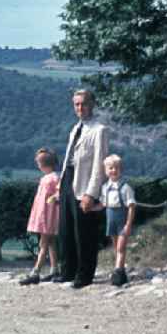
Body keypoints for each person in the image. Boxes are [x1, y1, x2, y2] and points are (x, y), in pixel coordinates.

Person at [55, 89, 108, 289]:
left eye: (83, 103)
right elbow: (69, 157)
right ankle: (67, 271)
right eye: (76, 104)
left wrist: (91, 194)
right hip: (68, 180)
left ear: (92, 104)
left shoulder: (99, 130)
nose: (80, 108)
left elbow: (99, 164)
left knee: (84, 232)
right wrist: (61, 185)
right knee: (66, 229)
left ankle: (84, 275)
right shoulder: (75, 128)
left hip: (84, 183)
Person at [92, 154, 136, 286]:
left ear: (120, 169)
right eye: (110, 168)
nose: (113, 170)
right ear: (106, 171)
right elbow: (102, 205)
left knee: (121, 248)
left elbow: (131, 207)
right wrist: (90, 209)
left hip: (122, 220)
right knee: (116, 247)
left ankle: (118, 271)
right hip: (111, 220)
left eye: (116, 168)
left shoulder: (126, 187)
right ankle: (121, 273)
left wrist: (128, 224)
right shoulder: (105, 188)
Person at [20, 148, 60, 285]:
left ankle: (36, 271)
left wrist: (54, 197)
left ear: (42, 164)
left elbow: (60, 192)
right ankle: (54, 269)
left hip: (48, 215)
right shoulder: (48, 178)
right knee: (51, 243)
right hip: (45, 214)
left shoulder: (53, 178)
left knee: (43, 243)